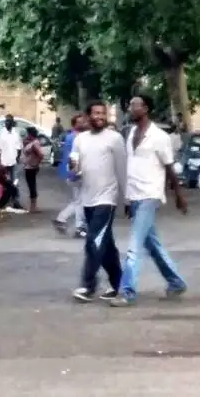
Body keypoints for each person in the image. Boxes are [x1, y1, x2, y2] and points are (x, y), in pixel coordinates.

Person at [109, 96, 188, 307]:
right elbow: (131, 168)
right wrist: (127, 199)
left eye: (135, 105)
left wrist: (178, 195)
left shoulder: (160, 137)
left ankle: (127, 291)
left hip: (150, 195)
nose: (130, 108)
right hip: (134, 195)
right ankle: (176, 281)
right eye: (130, 104)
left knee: (134, 245)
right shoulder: (131, 133)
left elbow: (170, 167)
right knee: (152, 244)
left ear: (146, 109)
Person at [70, 101, 127, 303]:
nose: (100, 116)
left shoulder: (115, 139)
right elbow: (75, 173)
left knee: (93, 241)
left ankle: (88, 285)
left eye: (103, 113)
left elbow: (122, 169)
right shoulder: (80, 140)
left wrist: (125, 198)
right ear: (87, 116)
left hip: (107, 199)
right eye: (95, 113)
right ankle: (119, 282)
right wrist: (73, 170)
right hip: (88, 199)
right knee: (106, 245)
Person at [54, 114, 87, 237]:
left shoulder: (73, 137)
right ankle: (66, 221)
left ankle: (78, 226)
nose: (83, 124)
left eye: (84, 121)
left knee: (79, 201)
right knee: (81, 201)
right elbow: (73, 157)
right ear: (74, 124)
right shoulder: (75, 138)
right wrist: (75, 173)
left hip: (74, 172)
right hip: (76, 173)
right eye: (80, 122)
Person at [0, 114, 23, 209]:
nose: (7, 122)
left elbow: (19, 147)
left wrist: (18, 157)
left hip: (13, 162)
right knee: (3, 183)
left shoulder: (16, 133)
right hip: (4, 163)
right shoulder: (1, 134)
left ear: (12, 122)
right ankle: (2, 202)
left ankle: (16, 201)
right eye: (6, 121)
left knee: (15, 182)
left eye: (9, 121)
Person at [22, 126, 43, 213]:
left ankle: (33, 207)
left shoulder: (35, 143)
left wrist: (36, 164)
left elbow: (41, 155)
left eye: (28, 134)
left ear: (30, 134)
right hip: (28, 167)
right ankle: (33, 206)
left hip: (31, 167)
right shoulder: (32, 142)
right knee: (31, 185)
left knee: (32, 186)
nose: (26, 135)